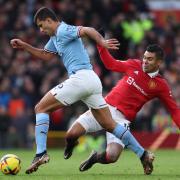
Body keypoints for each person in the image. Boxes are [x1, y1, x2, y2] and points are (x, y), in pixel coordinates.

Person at [10, 7, 146, 174]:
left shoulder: (62, 29)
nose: (41, 30)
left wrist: (101, 42)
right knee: (110, 124)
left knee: (40, 108)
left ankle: (40, 153)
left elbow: (87, 30)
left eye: (41, 25)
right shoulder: (54, 37)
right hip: (92, 81)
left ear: (49, 20)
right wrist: (24, 46)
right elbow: (45, 55)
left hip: (81, 78)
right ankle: (143, 154)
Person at [64, 43, 180, 175]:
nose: (145, 62)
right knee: (70, 135)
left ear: (159, 62)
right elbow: (111, 64)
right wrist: (100, 46)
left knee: (112, 156)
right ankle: (71, 144)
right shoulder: (134, 64)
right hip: (103, 109)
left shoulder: (161, 85)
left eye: (150, 59)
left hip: (121, 119)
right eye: (145, 57)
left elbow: (174, 110)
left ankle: (95, 158)